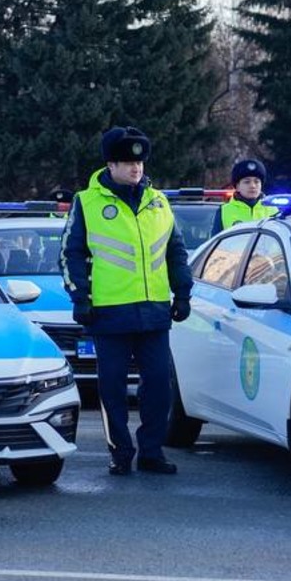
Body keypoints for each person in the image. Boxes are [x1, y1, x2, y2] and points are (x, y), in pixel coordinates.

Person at [61, 125, 192, 475]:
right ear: (110, 165)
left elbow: (175, 250)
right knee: (113, 389)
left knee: (159, 386)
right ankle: (120, 452)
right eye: (126, 162)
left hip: (154, 311)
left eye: (140, 163)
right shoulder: (86, 202)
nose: (136, 169)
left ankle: (152, 451)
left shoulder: (158, 201)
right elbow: (70, 253)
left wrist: (182, 293)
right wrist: (80, 297)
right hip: (109, 311)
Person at [221, 159, 278, 230]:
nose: (253, 186)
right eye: (247, 182)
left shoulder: (274, 210)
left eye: (256, 182)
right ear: (237, 187)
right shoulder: (223, 211)